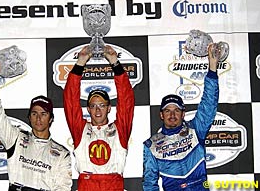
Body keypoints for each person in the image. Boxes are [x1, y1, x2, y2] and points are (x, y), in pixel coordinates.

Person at [143, 43, 219, 191]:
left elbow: (209, 104)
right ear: (161, 115)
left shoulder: (195, 129)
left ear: (183, 113)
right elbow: (149, 183)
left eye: (177, 110)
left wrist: (212, 67)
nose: (172, 115)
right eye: (167, 111)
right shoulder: (151, 145)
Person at [0, 65, 72, 191]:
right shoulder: (16, 137)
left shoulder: (62, 154)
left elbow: (62, 188)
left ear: (51, 119)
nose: (38, 118)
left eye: (43, 114)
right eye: (34, 113)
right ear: (29, 117)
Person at [63, 45, 135, 191]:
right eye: (93, 106)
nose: (97, 110)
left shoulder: (120, 129)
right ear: (88, 109)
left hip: (114, 185)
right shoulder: (80, 130)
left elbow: (126, 101)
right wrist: (80, 63)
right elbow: (70, 101)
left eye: (102, 105)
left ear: (109, 108)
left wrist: (115, 62)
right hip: (87, 185)